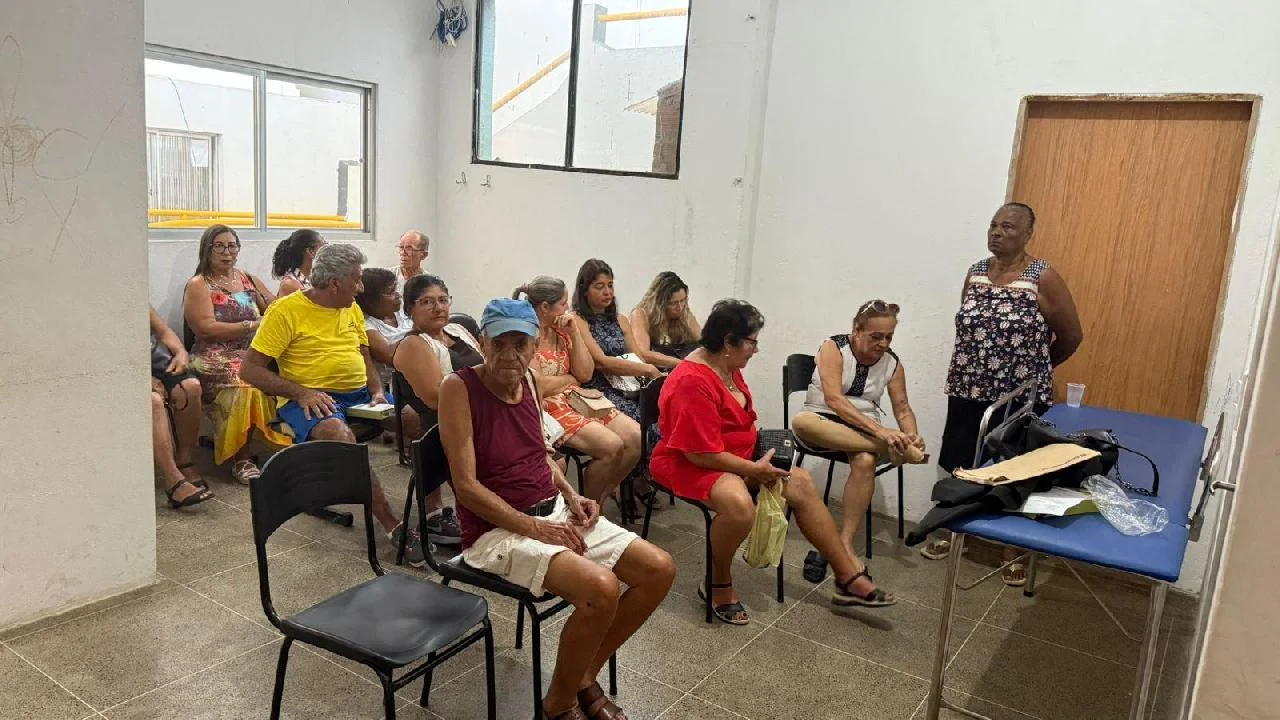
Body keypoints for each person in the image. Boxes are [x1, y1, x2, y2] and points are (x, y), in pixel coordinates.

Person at [438, 297, 675, 720]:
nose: (509, 355)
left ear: (535, 346)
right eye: (499, 344)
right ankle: (559, 704)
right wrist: (533, 528)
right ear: (482, 344)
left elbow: (539, 455)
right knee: (601, 589)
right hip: (497, 531)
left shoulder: (529, 380)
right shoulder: (459, 388)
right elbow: (467, 488)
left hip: (549, 512)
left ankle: (582, 675)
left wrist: (570, 494)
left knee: (658, 569)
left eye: (520, 344)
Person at [650, 299, 896, 625]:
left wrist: (756, 463)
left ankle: (846, 576)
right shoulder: (692, 380)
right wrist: (752, 470)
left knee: (802, 483)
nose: (756, 350)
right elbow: (699, 453)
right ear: (728, 342)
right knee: (738, 504)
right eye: (751, 342)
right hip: (689, 461)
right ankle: (716, 581)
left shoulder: (728, 366)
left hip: (732, 457)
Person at [921, 202, 1083, 585]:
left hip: (1019, 395)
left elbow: (1071, 335)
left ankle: (1013, 546)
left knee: (1016, 465)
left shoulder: (1042, 276)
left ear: (1028, 235)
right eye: (993, 225)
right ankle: (952, 528)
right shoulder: (976, 272)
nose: (997, 232)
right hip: (968, 386)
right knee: (959, 459)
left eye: (1008, 227)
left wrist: (1038, 369)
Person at [240, 243, 428, 566]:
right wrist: (302, 393)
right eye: (356, 279)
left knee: (417, 419)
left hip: (360, 394)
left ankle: (434, 511)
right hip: (310, 398)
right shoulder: (285, 312)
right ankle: (390, 523)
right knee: (341, 438)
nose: (361, 287)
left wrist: (376, 391)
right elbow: (249, 370)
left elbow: (364, 354)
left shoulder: (350, 307)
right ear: (334, 283)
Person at [790, 300, 928, 576]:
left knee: (865, 461)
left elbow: (903, 409)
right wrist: (885, 436)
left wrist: (911, 435)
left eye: (888, 337)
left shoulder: (892, 363)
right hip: (823, 420)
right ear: (856, 329)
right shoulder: (833, 347)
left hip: (865, 429)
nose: (883, 343)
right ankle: (888, 448)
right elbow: (834, 400)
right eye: (876, 337)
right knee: (801, 422)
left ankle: (844, 543)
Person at [520, 275, 642, 507]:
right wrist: (569, 378)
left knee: (636, 438)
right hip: (548, 406)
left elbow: (585, 374)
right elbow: (538, 385)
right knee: (612, 446)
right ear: (545, 307)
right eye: (563, 303)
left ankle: (597, 501)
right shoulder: (526, 336)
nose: (568, 308)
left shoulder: (562, 331)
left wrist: (574, 333)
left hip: (577, 397)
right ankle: (591, 507)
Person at [184, 224, 291, 485]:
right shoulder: (199, 284)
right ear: (207, 250)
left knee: (292, 372)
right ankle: (242, 459)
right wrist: (252, 325)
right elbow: (206, 329)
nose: (227, 252)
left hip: (250, 353)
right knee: (246, 387)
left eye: (232, 246)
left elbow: (275, 308)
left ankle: (293, 448)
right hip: (213, 357)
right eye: (219, 246)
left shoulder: (248, 279)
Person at [391, 273, 484, 546]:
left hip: (480, 414)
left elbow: (489, 365)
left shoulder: (458, 331)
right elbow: (436, 398)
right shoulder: (413, 344)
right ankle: (440, 515)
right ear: (410, 309)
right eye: (427, 302)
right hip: (447, 427)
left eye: (443, 300)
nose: (438, 307)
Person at [150, 305, 212, 508]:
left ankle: (185, 461)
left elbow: (164, 331)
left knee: (191, 387)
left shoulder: (133, 296)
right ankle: (173, 480)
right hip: (119, 370)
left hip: (152, 359)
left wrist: (180, 352)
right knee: (154, 402)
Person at [355, 267, 415, 391]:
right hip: (397, 386)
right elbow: (391, 356)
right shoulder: (367, 326)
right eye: (390, 292)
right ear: (371, 300)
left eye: (396, 288)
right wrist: (419, 330)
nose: (398, 295)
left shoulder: (401, 312)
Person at [630, 271, 702, 369]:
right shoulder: (641, 314)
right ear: (660, 303)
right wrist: (683, 364)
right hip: (658, 371)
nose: (680, 307)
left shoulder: (684, 313)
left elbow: (702, 344)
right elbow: (642, 353)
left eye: (683, 300)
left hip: (683, 367)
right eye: (673, 303)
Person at [272, 229, 325, 297]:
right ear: (310, 251)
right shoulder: (291, 284)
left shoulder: (313, 278)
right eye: (324, 246)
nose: (328, 250)